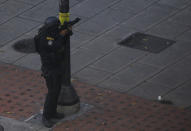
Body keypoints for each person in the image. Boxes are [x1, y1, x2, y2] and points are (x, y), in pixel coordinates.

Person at [34, 16, 72, 128]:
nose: (57, 29)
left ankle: (52, 112)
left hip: (56, 66)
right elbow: (56, 45)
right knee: (52, 93)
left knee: (56, 91)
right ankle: (46, 116)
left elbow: (58, 38)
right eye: (56, 27)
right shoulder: (44, 38)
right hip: (50, 70)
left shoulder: (49, 32)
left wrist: (66, 32)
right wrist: (62, 34)